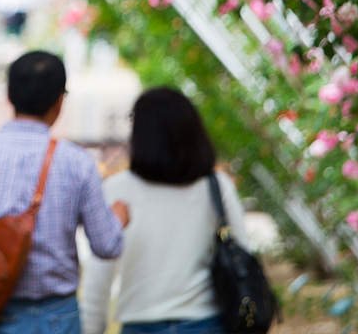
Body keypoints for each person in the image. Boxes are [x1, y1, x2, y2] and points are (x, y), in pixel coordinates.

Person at [0, 51, 130, 334]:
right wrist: (118, 218)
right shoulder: (77, 163)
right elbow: (107, 246)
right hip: (58, 318)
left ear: (9, 96)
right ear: (59, 101)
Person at [79, 87, 250, 334]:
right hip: (206, 323)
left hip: (141, 325)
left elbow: (99, 273)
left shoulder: (117, 190)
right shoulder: (215, 186)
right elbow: (242, 252)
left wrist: (91, 327)